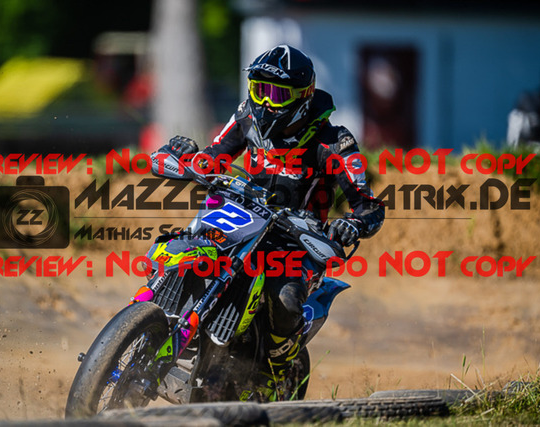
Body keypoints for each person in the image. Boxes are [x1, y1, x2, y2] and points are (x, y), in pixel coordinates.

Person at [165, 45, 384, 400]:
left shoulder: (334, 141)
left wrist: (353, 224)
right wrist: (190, 158)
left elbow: (368, 205)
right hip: (240, 219)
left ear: (303, 96)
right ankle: (154, 320)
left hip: (297, 241)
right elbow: (214, 157)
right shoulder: (246, 116)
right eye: (259, 90)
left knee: (286, 299)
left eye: (277, 94)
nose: (265, 103)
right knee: (180, 250)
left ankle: (278, 366)